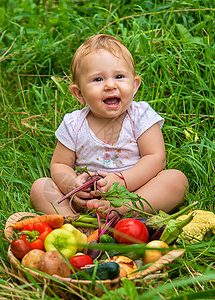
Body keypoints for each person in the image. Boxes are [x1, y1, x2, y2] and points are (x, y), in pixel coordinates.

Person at [30, 34, 188, 216]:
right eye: (98, 79)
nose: (110, 85)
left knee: (176, 180)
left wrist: (123, 180)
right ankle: (73, 223)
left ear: (135, 85)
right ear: (79, 93)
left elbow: (155, 157)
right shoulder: (73, 123)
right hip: (86, 201)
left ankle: (121, 211)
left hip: (133, 194)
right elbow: (59, 164)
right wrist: (73, 185)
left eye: (119, 76)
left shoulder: (141, 115)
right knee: (40, 187)